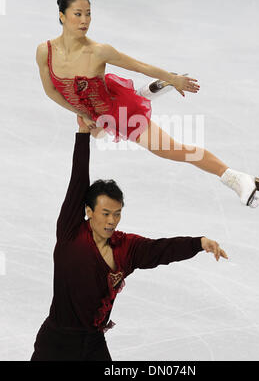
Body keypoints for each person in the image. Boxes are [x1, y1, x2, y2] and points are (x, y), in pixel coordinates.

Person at [36, 0, 259, 208]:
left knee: (169, 149)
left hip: (119, 112)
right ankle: (143, 92)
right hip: (96, 110)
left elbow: (139, 65)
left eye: (88, 14)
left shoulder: (98, 50)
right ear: (62, 16)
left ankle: (236, 178)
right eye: (78, 14)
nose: (85, 20)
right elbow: (51, 91)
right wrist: (82, 113)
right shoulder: (45, 51)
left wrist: (174, 78)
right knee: (97, 132)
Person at [30, 116, 228, 361]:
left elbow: (160, 250)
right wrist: (82, 134)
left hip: (92, 343)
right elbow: (78, 178)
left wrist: (198, 243)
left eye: (117, 214)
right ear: (89, 211)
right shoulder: (72, 232)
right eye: (105, 214)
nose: (111, 221)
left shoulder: (126, 248)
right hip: (56, 343)